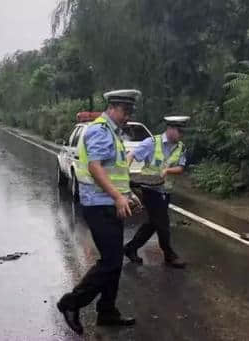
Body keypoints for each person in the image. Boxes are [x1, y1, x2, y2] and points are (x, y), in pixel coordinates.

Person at [57, 89, 142, 335]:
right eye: (126, 111)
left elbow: (113, 170)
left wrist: (127, 195)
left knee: (113, 262)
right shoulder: (99, 130)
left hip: (109, 204)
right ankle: (71, 303)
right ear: (113, 107)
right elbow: (95, 168)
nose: (127, 116)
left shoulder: (112, 133)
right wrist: (117, 197)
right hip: (99, 205)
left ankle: (107, 311)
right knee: (111, 261)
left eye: (130, 112)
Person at [123, 116, 190, 268]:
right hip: (150, 190)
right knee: (163, 223)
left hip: (165, 191)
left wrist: (167, 170)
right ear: (170, 129)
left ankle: (130, 248)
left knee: (153, 223)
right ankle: (169, 254)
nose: (181, 135)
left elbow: (180, 167)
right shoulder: (152, 142)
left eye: (182, 132)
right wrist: (125, 174)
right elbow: (131, 155)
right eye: (179, 131)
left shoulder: (181, 147)